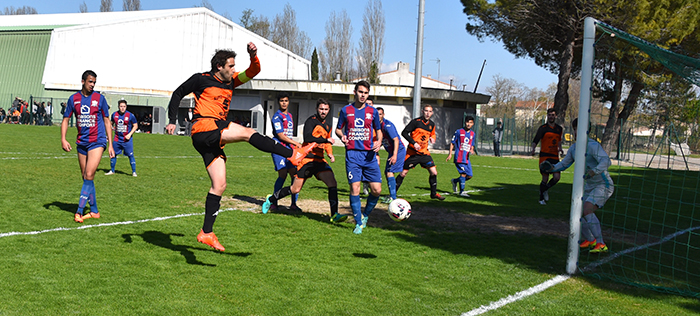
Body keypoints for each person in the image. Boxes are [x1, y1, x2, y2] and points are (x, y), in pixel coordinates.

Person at [165, 43, 314, 251]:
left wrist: (254, 55)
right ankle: (293, 154)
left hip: (212, 135)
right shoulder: (201, 79)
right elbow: (178, 93)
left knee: (220, 185)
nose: (235, 70)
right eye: (231, 66)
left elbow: (254, 71)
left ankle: (206, 232)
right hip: (205, 128)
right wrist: (172, 119)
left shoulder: (232, 82)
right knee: (248, 133)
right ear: (219, 66)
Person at [263, 98, 346, 222]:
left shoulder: (327, 125)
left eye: (326, 109)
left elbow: (328, 141)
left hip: (319, 160)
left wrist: (330, 153)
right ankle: (270, 200)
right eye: (321, 109)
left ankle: (334, 215)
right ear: (317, 109)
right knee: (294, 189)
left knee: (332, 183)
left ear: (329, 110)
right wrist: (325, 140)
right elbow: (308, 137)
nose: (323, 111)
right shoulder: (311, 121)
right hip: (307, 159)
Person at [541, 118, 613, 253]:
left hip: (603, 184)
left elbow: (606, 161)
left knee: (587, 209)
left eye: (579, 129)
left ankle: (601, 244)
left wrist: (594, 171)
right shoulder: (574, 148)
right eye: (575, 129)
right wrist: (551, 168)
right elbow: (564, 164)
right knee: (577, 213)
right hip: (590, 185)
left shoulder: (593, 146)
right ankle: (590, 240)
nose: (576, 132)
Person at [60, 70, 115, 223]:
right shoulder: (74, 99)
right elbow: (65, 120)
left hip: (97, 141)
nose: (92, 85)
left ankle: (79, 212)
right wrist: (63, 139)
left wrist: (110, 145)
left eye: (94, 82)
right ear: (83, 81)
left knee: (89, 175)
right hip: (81, 143)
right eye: (90, 82)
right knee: (86, 177)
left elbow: (106, 121)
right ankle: (94, 211)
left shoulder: (100, 98)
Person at [335, 80, 383, 234]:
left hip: (369, 155)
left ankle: (365, 215)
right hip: (353, 155)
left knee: (376, 190)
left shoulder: (373, 112)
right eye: (360, 92)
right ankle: (358, 223)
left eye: (366, 93)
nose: (363, 95)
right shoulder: (345, 110)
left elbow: (379, 130)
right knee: (355, 188)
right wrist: (342, 136)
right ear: (355, 92)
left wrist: (379, 141)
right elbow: (337, 129)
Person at [395, 104, 445, 201]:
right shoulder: (415, 122)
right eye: (426, 111)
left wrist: (432, 138)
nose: (428, 113)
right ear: (422, 111)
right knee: (403, 173)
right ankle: (392, 194)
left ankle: (433, 194)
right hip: (412, 153)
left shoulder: (432, 124)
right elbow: (404, 133)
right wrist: (414, 143)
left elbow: (433, 134)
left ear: (432, 113)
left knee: (434, 172)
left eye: (430, 111)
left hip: (424, 153)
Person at [270, 92, 302, 211]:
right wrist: (295, 143)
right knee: (282, 174)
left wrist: (293, 146)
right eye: (282, 100)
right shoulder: (277, 117)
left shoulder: (290, 116)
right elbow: (280, 135)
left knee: (294, 174)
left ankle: (293, 204)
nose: (284, 103)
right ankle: (274, 202)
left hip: (289, 149)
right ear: (278, 102)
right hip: (279, 148)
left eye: (286, 101)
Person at [530, 108, 564, 205]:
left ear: (555, 116)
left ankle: (545, 189)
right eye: (549, 115)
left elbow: (559, 141)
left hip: (555, 156)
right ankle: (541, 199)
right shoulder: (543, 128)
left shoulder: (559, 129)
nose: (551, 117)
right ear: (547, 116)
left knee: (557, 177)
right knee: (545, 178)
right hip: (544, 156)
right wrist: (533, 149)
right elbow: (536, 140)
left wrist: (560, 148)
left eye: (553, 115)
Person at [377, 106, 405, 203]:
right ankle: (392, 196)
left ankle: (393, 197)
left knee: (390, 172)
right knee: (387, 172)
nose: (378, 116)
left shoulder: (387, 126)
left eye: (380, 114)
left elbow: (396, 140)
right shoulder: (377, 125)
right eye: (376, 114)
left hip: (398, 151)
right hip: (391, 151)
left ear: (383, 115)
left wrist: (395, 155)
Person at [106, 99, 138, 177]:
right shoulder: (114, 114)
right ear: (118, 107)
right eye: (121, 106)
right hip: (117, 138)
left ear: (126, 107)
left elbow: (135, 125)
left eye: (124, 106)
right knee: (113, 154)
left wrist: (130, 134)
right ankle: (112, 170)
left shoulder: (130, 115)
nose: (122, 108)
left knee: (130, 155)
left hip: (127, 140)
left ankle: (134, 172)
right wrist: (108, 134)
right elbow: (110, 124)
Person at [447, 116, 477, 197]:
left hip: (466, 158)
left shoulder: (472, 134)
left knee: (469, 175)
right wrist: (450, 154)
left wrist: (472, 150)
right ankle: (462, 192)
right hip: (459, 157)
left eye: (470, 123)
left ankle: (455, 181)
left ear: (473, 124)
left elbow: (472, 145)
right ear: (465, 122)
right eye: (467, 122)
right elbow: (452, 142)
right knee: (463, 174)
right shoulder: (459, 132)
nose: (468, 124)